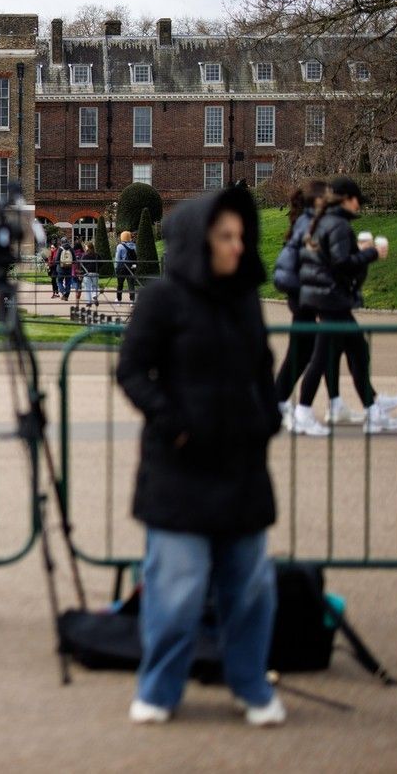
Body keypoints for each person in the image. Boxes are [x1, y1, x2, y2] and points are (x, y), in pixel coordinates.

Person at [115, 184, 286, 728]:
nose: (239, 246)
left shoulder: (243, 300)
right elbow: (132, 370)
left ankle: (250, 682)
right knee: (178, 586)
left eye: (241, 236)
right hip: (180, 466)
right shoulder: (162, 299)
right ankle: (160, 687)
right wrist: (173, 423)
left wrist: (268, 418)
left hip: (240, 462)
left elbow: (262, 367)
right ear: (199, 241)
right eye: (226, 236)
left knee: (250, 586)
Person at [292, 177, 397, 436]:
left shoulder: (321, 219)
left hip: (321, 295)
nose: (359, 206)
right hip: (331, 298)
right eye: (357, 201)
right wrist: (372, 253)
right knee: (323, 357)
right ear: (348, 199)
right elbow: (341, 263)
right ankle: (303, 411)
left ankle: (373, 410)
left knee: (357, 350)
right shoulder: (338, 225)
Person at [271, 180, 328, 432]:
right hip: (303, 295)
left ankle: (278, 403)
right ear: (317, 200)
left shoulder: (309, 222)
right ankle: (295, 408)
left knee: (301, 353)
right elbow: (292, 268)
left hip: (302, 296)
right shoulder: (309, 224)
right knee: (312, 352)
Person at [114, 231, 139, 303]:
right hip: (131, 266)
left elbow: (117, 259)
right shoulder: (134, 245)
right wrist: (134, 267)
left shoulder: (120, 246)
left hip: (122, 267)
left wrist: (116, 268)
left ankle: (119, 299)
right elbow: (135, 257)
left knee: (120, 284)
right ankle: (132, 300)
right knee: (131, 284)